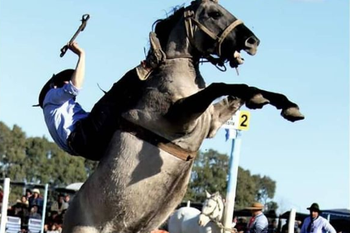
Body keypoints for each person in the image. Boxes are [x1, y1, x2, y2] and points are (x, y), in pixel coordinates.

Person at [37, 39, 160, 161]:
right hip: (83, 138)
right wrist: (81, 55)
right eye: (66, 80)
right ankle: (148, 65)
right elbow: (75, 87)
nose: (68, 81)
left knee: (118, 109)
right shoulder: (51, 96)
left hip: (89, 149)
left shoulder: (56, 110)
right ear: (55, 85)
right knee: (114, 96)